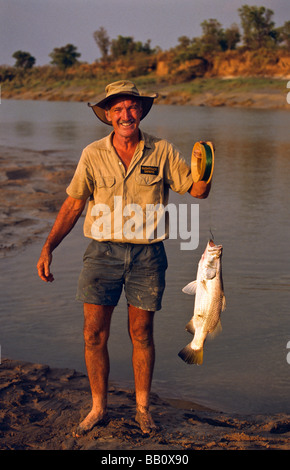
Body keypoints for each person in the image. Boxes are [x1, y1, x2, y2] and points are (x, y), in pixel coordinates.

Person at [36, 80, 211, 436]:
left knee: (142, 334)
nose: (125, 115)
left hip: (148, 256)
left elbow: (196, 191)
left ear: (141, 112)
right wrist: (48, 246)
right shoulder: (92, 154)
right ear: (108, 115)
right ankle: (99, 407)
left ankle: (143, 410)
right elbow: (73, 204)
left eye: (132, 107)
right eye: (117, 109)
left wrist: (205, 165)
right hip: (102, 254)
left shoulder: (161, 150)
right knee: (93, 335)